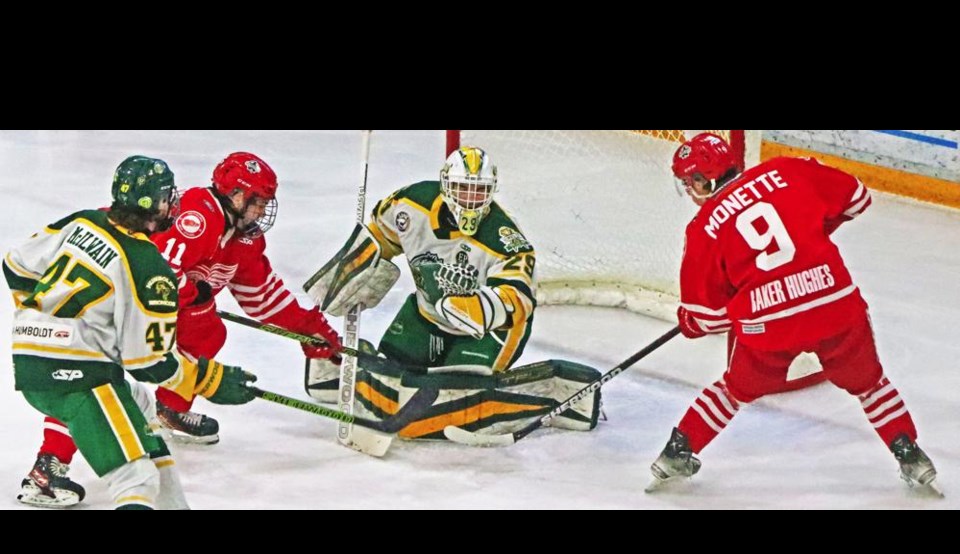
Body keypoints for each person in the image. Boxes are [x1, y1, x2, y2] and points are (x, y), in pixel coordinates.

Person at [648, 133, 939, 492]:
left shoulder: (703, 228)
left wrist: (691, 322)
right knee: (870, 385)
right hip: (834, 304)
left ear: (702, 180)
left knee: (733, 389)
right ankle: (910, 454)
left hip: (769, 330)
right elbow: (857, 198)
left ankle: (679, 449)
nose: (690, 193)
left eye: (688, 183)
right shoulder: (786, 170)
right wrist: (812, 233)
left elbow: (709, 317)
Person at [5, 156, 258, 509]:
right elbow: (149, 363)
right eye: (169, 196)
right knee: (135, 479)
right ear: (156, 204)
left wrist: (43, 320)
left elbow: (15, 264)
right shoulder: (147, 266)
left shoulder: (83, 221)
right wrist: (208, 379)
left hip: (28, 358)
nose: (174, 203)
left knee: (139, 404)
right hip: (79, 375)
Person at [304, 146, 601, 441]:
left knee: (449, 404)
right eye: (462, 188)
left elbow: (519, 300)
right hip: (426, 315)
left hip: (488, 332)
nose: (470, 200)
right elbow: (382, 236)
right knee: (392, 378)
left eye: (479, 191)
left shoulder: (506, 240)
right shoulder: (411, 203)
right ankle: (355, 369)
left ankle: (552, 393)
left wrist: (478, 309)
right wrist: (357, 268)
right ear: (446, 185)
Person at [147, 151, 342, 444]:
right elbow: (155, 270)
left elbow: (261, 296)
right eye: (257, 202)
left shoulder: (243, 238)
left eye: (265, 204)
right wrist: (193, 297)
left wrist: (309, 328)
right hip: (124, 296)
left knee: (207, 330)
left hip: (162, 305)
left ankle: (170, 406)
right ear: (236, 194)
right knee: (204, 327)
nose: (262, 212)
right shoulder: (198, 215)